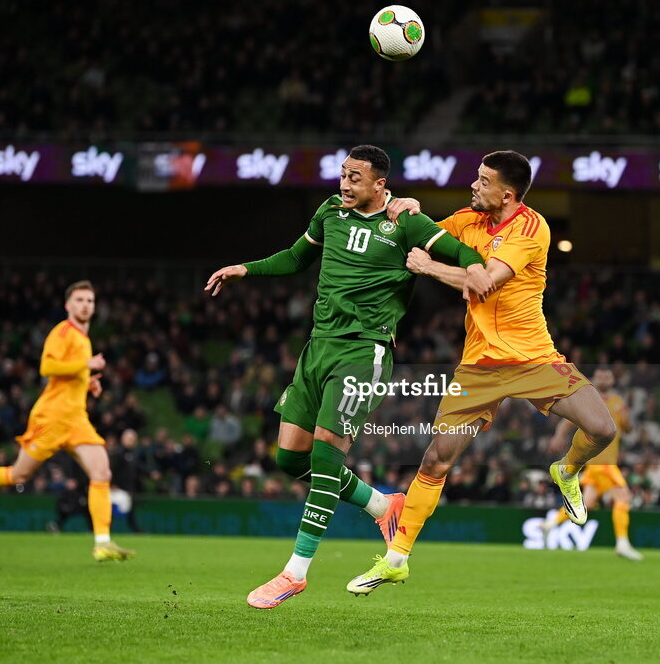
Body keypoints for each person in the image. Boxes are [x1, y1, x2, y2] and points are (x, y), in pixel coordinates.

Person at [204, 145, 490, 609]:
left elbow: (464, 252)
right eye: (343, 174)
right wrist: (245, 269)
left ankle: (294, 573)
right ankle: (382, 506)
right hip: (317, 349)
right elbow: (297, 258)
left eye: (355, 177)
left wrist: (472, 274)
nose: (344, 184)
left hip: (365, 351)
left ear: (380, 184)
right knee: (289, 461)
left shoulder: (407, 224)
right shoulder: (330, 212)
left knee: (325, 458)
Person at [347, 151, 618, 594]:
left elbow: (483, 281)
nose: (474, 186)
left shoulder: (531, 228)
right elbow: (425, 230)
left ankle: (567, 470)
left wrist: (428, 266)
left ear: (506, 194)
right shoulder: (469, 219)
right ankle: (396, 559)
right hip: (478, 366)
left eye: (482, 180)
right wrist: (408, 206)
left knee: (602, 429)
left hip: (533, 358)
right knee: (436, 459)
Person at [0, 281, 135, 562]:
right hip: (51, 418)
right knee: (18, 475)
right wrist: (85, 366)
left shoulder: (83, 337)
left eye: (90, 301)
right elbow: (47, 366)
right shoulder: (63, 332)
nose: (85, 305)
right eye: (79, 300)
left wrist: (86, 383)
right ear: (68, 305)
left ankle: (102, 542)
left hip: (76, 419)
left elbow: (66, 376)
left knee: (101, 472)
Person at [548, 367, 643, 560]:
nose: (604, 379)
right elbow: (567, 422)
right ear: (594, 378)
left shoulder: (618, 402)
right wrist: (558, 436)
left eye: (607, 375)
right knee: (623, 497)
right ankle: (622, 543)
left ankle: (548, 525)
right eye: (600, 375)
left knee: (587, 503)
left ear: (612, 380)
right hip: (602, 462)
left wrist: (627, 417)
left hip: (603, 463)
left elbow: (628, 428)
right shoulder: (588, 400)